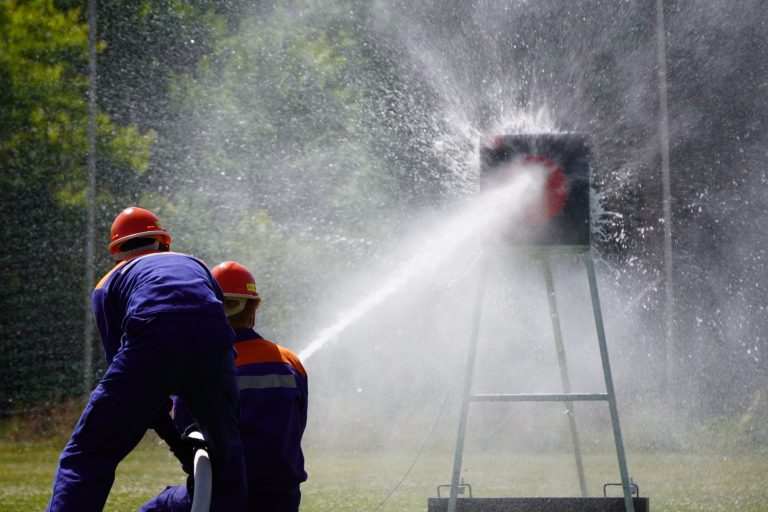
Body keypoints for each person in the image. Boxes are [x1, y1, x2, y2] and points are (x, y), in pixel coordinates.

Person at [47, 207, 247, 512]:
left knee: (87, 456)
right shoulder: (195, 264)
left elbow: (129, 376)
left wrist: (174, 440)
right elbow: (215, 328)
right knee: (227, 456)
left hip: (152, 338)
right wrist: (188, 438)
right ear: (164, 243)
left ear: (116, 253)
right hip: (213, 343)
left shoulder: (108, 283)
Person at [142, 260, 308, 512]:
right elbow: (298, 423)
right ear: (253, 309)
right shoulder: (290, 361)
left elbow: (188, 433)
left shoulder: (199, 362)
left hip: (222, 493)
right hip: (282, 497)